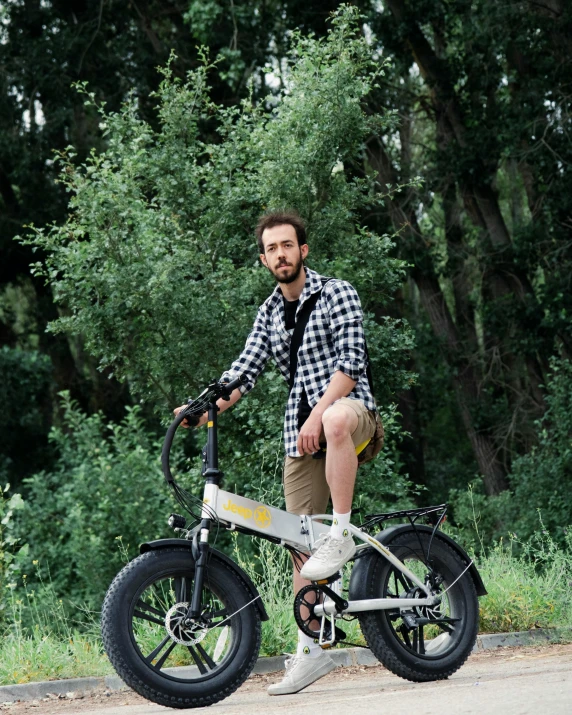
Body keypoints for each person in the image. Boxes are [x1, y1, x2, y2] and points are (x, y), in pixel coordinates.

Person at [175, 210, 377, 695]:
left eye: (288, 245)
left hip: (351, 415)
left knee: (332, 418)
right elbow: (242, 372)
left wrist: (318, 414)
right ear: (264, 258)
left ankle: (344, 532)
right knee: (298, 542)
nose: (280, 255)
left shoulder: (337, 293)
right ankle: (312, 650)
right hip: (300, 436)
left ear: (303, 251)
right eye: (272, 249)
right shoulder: (269, 312)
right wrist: (202, 407)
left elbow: (351, 366)